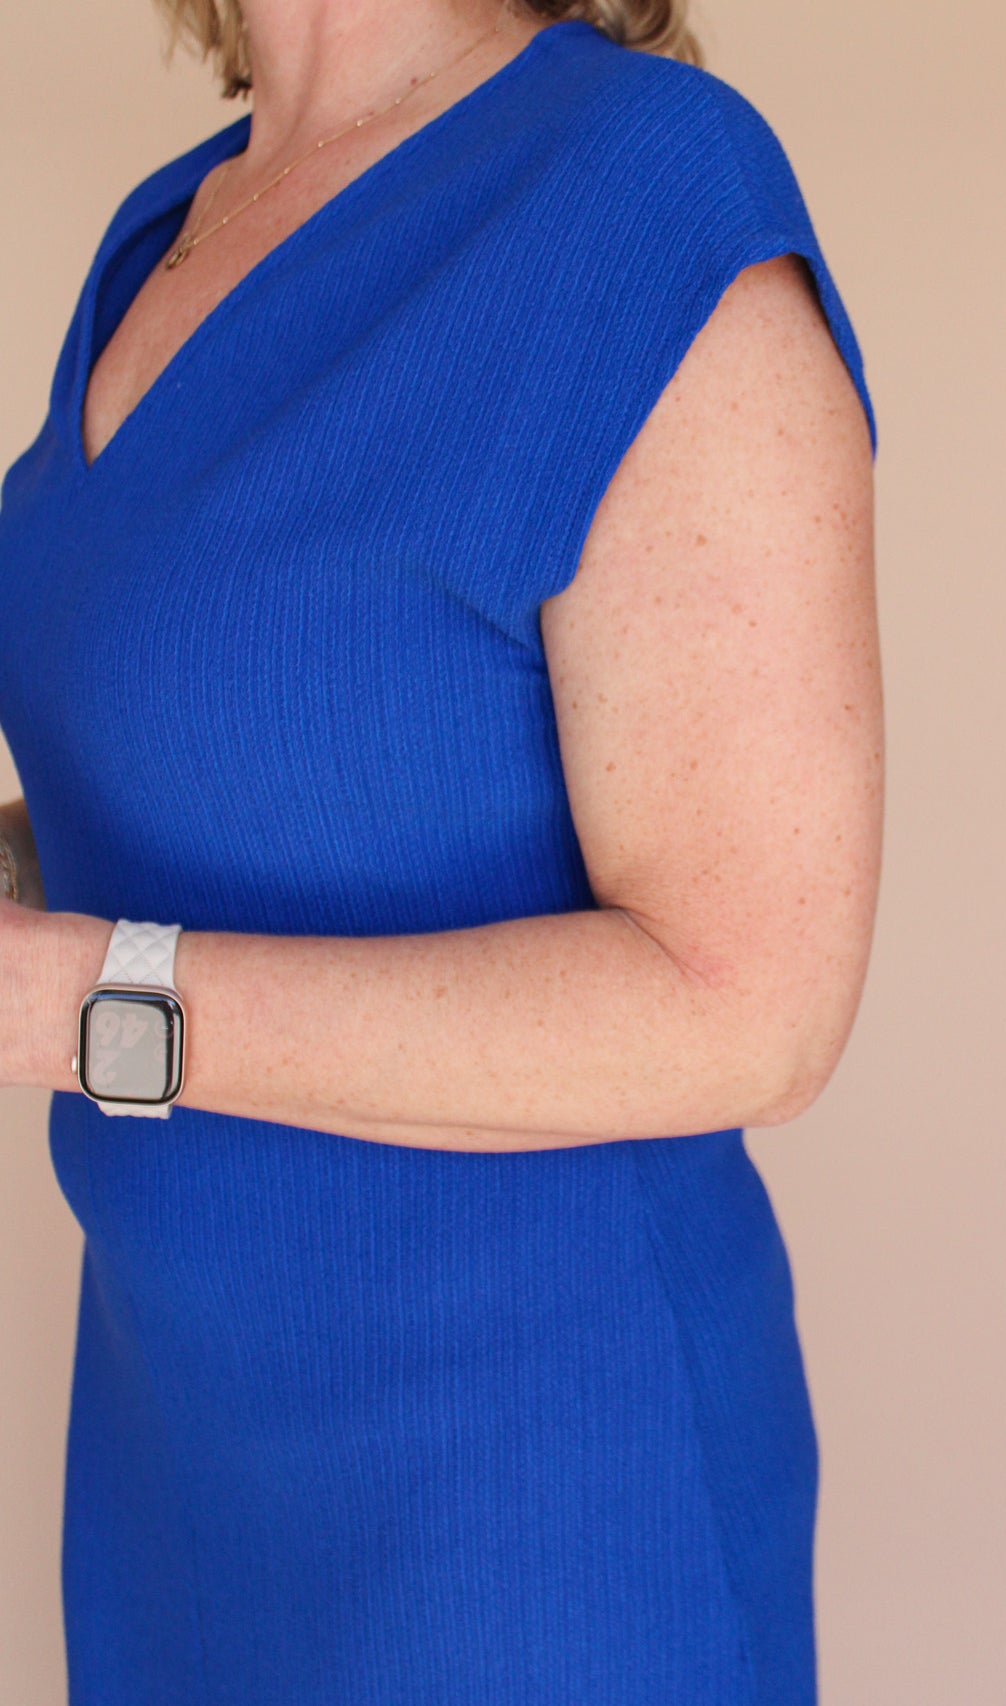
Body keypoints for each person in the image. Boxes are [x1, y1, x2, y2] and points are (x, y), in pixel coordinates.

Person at [0, 0, 881, 1699]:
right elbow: (224, 785)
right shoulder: (167, 228)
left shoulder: (643, 192)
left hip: (528, 1507)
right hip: (176, 1465)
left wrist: (60, 1009)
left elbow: (749, 1004)